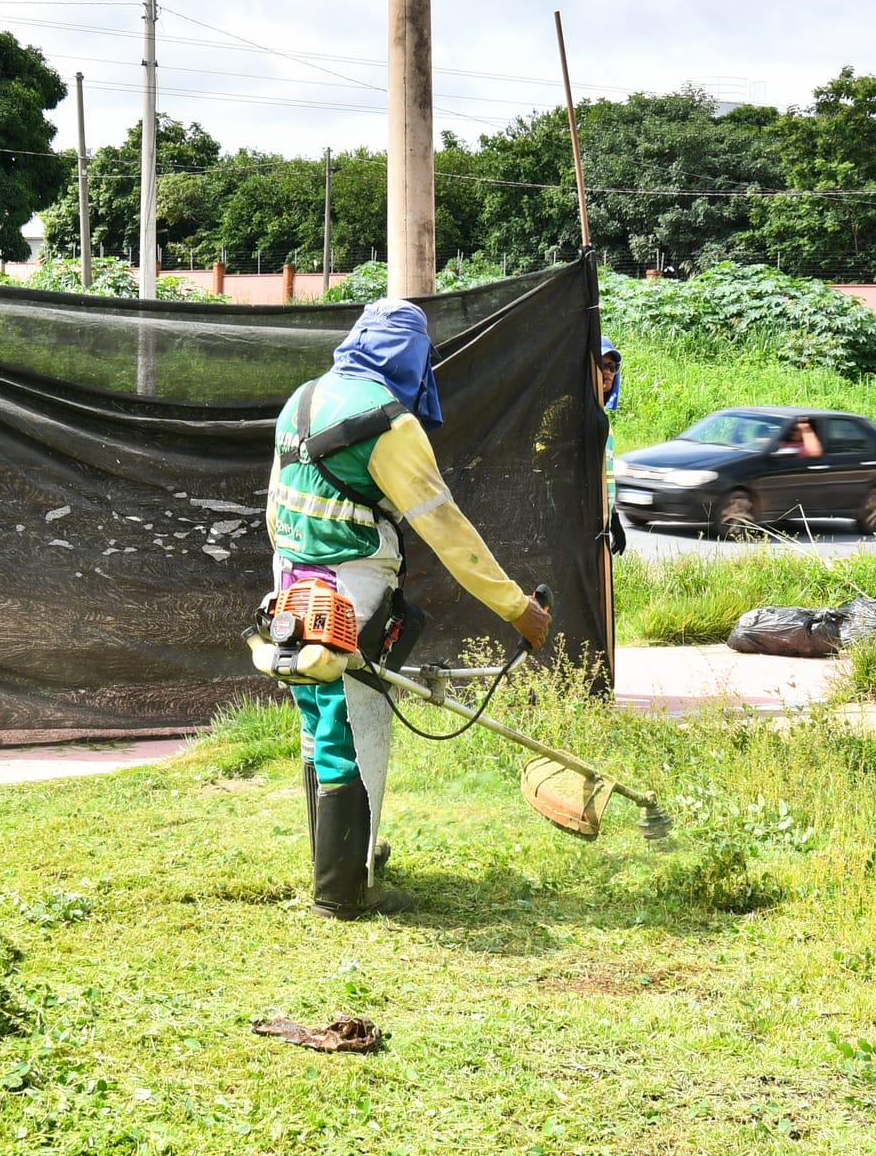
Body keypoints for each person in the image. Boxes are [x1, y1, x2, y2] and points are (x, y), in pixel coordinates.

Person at [268, 298, 552, 920]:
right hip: (351, 588)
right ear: (411, 357)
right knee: (352, 723)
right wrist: (515, 608)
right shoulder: (388, 423)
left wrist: (291, 576)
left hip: (289, 583)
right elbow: (444, 528)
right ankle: (343, 891)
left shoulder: (303, 398)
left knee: (317, 722)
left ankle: (343, 857)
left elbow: (275, 507)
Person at [599, 336, 626, 555]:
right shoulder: (573, 411)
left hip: (602, 520)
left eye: (613, 367)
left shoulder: (602, 417)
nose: (608, 372)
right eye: (603, 365)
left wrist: (614, 516)